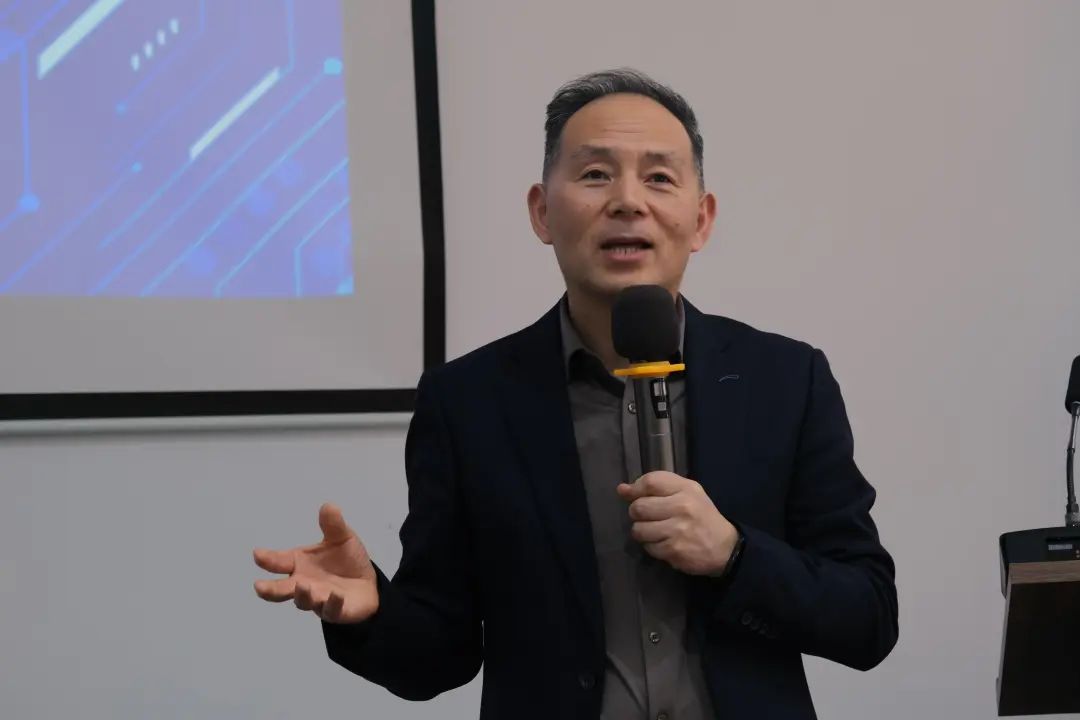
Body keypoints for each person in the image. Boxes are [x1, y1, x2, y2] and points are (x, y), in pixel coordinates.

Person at [253, 68, 898, 719]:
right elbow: (438, 656)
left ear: (701, 219)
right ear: (542, 211)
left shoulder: (785, 381)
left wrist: (734, 555)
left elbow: (868, 616)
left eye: (659, 177)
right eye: (595, 174)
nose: (627, 201)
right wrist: (372, 610)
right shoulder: (468, 402)